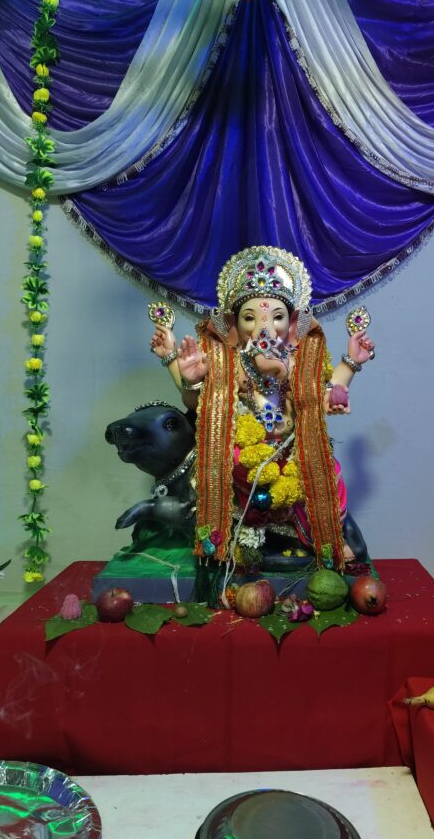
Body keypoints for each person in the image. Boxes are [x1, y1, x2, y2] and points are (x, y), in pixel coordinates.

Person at [149, 246, 374, 602]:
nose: (264, 327)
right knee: (239, 467)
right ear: (235, 327)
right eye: (250, 318)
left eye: (276, 317)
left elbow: (325, 396)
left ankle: (322, 537)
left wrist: (352, 363)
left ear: (292, 324)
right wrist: (181, 368)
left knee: (328, 471)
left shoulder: (301, 361)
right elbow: (197, 404)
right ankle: (239, 540)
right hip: (246, 449)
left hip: (292, 446)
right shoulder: (228, 362)